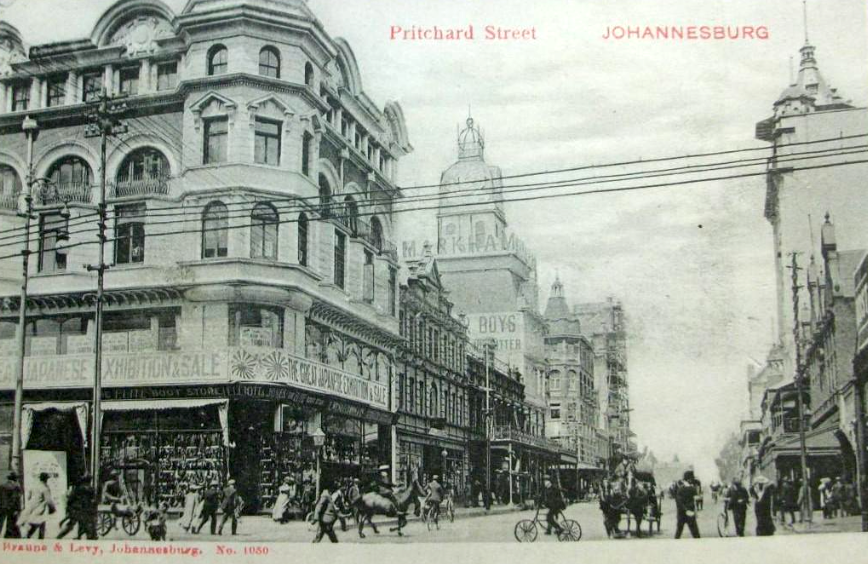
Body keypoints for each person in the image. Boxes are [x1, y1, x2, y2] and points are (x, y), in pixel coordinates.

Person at [58, 474, 97, 540]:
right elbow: (93, 500)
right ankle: (86, 536)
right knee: (84, 524)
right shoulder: (91, 489)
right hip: (86, 510)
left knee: (71, 525)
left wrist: (68, 506)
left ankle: (59, 537)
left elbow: (71, 498)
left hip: (76, 509)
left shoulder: (79, 488)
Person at [18, 472, 54, 539]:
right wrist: (52, 509)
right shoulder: (45, 488)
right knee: (37, 523)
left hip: (32, 506)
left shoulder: (34, 485)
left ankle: (37, 537)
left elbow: (28, 496)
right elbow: (48, 500)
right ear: (46, 479)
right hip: (41, 508)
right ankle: (31, 536)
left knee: (39, 523)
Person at [674, 471, 700, 539]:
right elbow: (696, 500)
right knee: (696, 534)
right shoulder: (693, 489)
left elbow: (679, 502)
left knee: (678, 533)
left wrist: (684, 509)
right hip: (690, 513)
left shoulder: (680, 489)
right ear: (689, 479)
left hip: (681, 514)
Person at [0, 472, 22, 538]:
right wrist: (18, 509)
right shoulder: (16, 486)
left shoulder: (2, 485)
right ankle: (12, 536)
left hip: (2, 507)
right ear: (15, 478)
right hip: (11, 508)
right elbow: (16, 499)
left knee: (1, 523)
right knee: (12, 523)